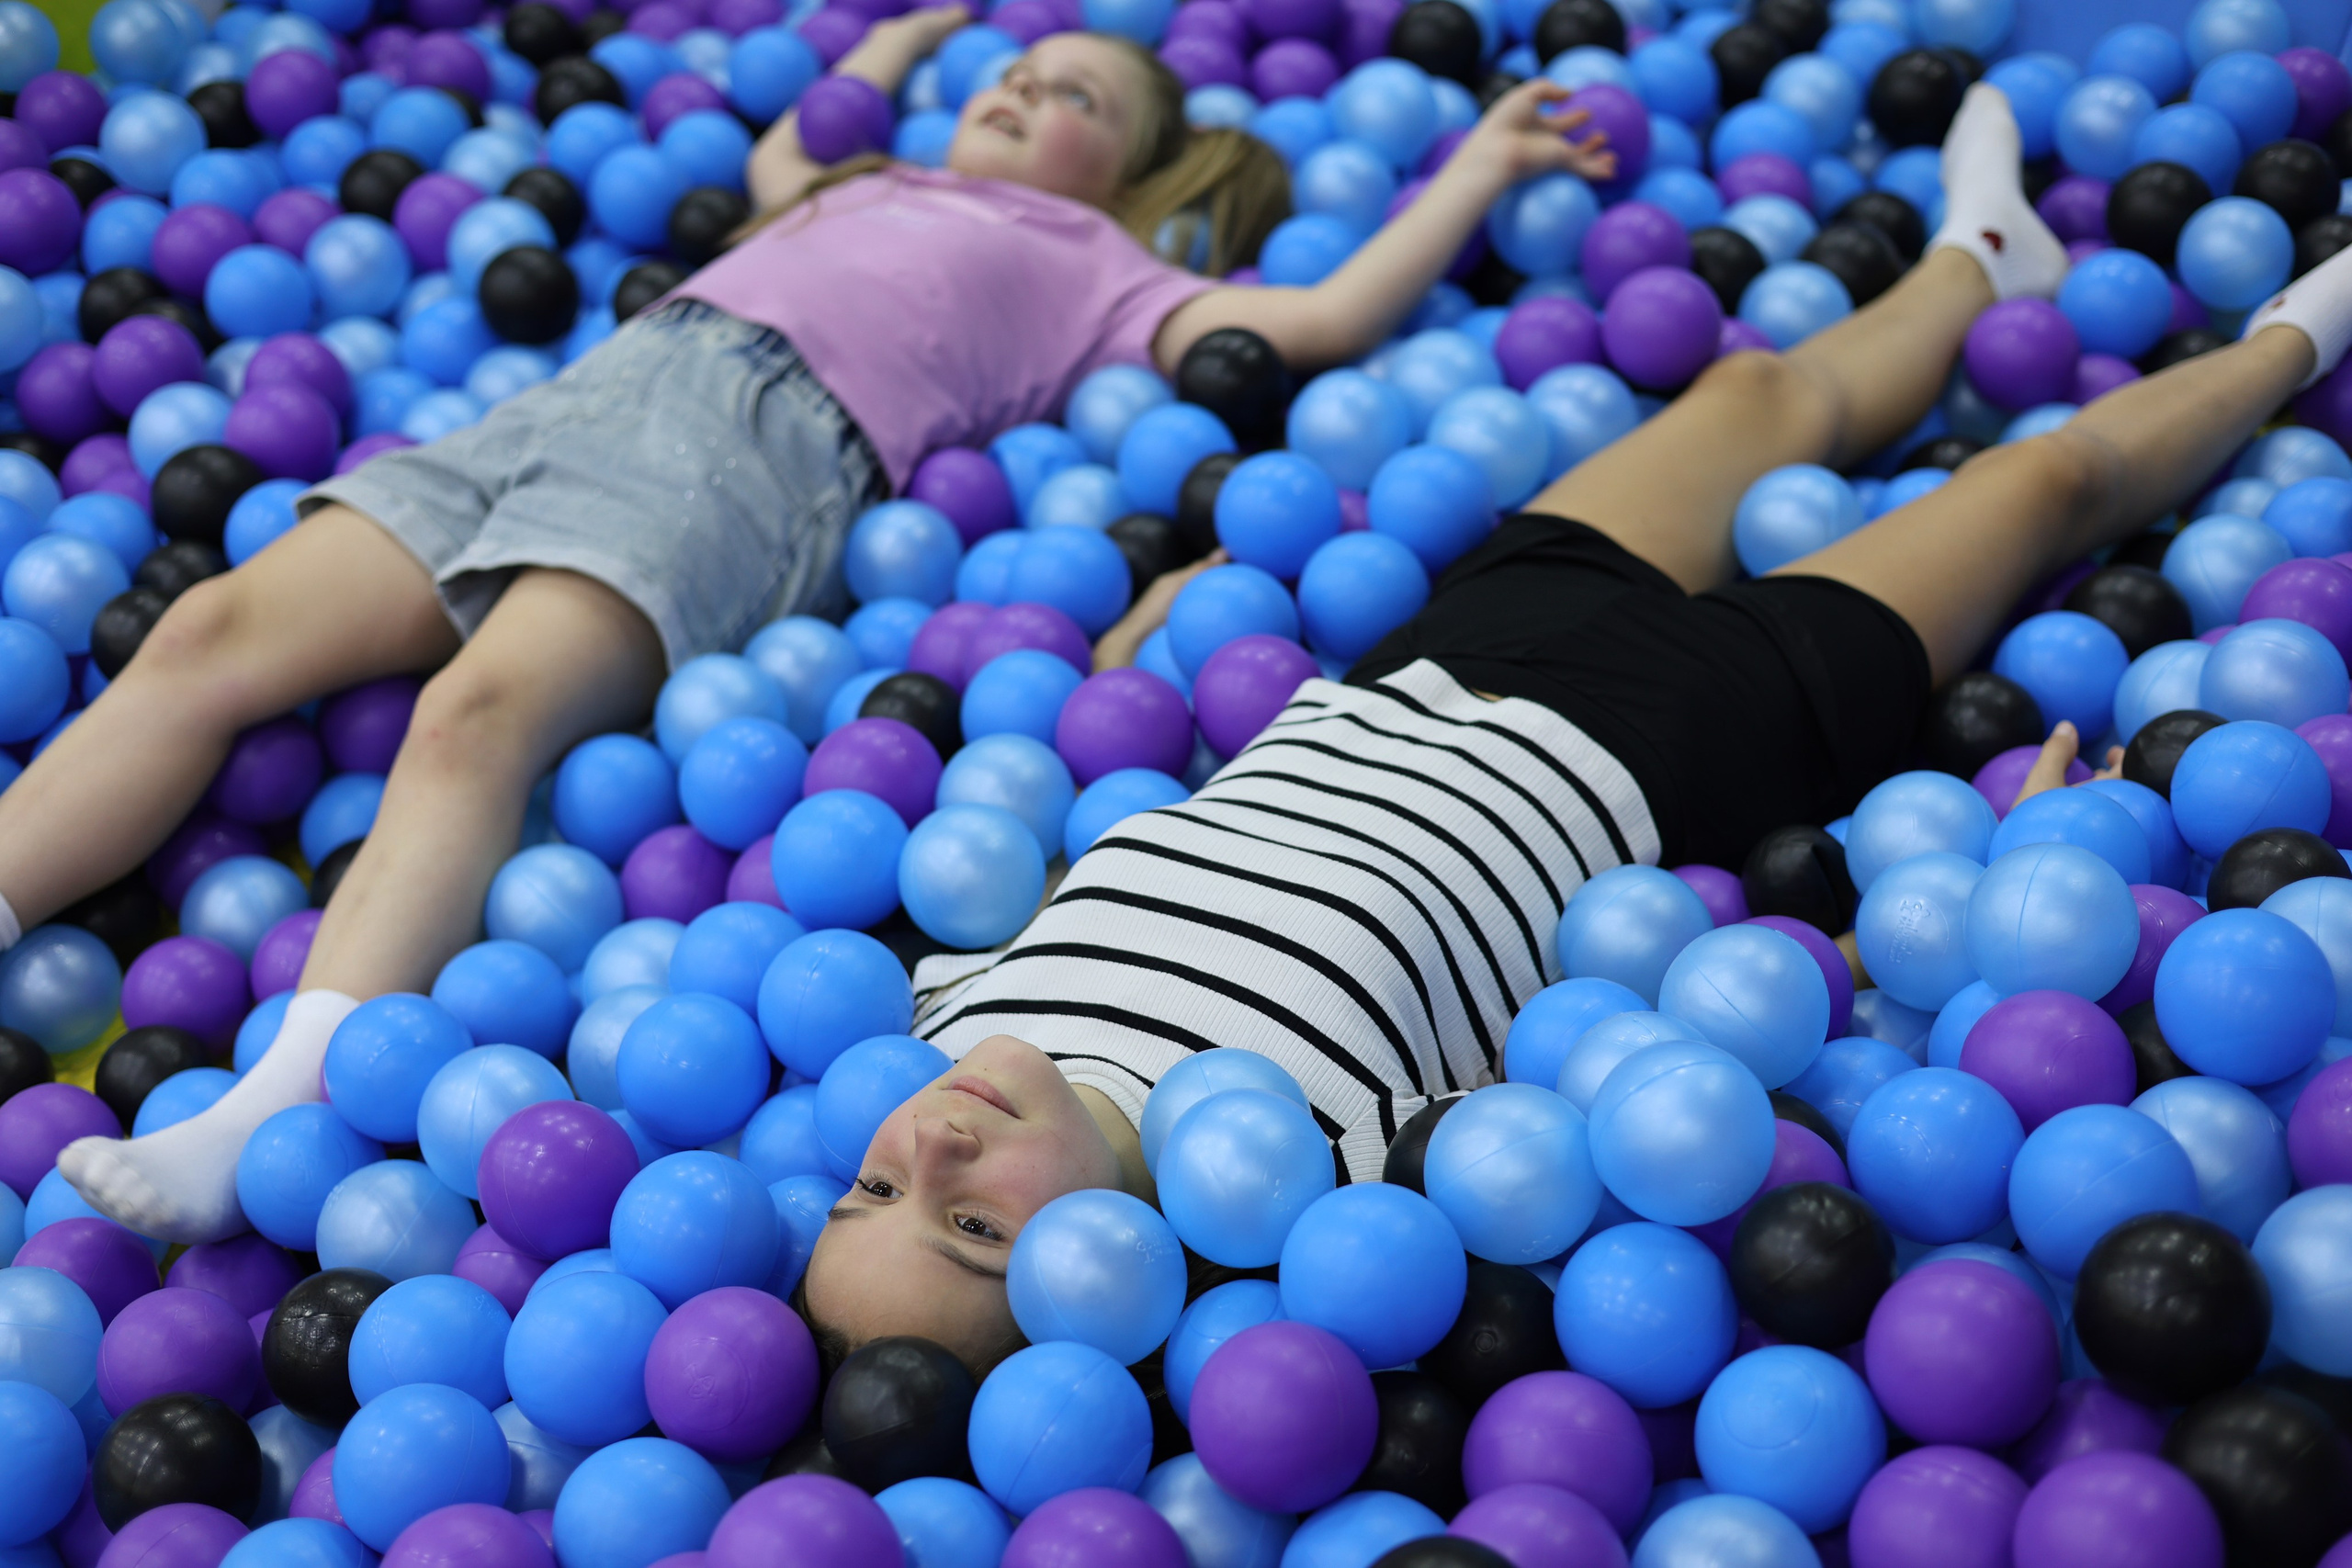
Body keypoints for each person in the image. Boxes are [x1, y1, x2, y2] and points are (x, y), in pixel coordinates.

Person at [797, 84, 2352, 1375]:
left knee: (1755, 399)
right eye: (977, 1226)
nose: (928, 1152)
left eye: (872, 1184)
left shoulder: (945, 1007)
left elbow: (1093, 819)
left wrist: (1132, 648)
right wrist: (1970, 891)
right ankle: (2296, 341)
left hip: (1433, 661)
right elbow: (1662, 1078)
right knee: (2036, 496)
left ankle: (1972, 261)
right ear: (1109, 1286)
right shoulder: (1344, 1180)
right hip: (1675, 750)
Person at [28, 10, 1617, 1243]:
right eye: (1017, 70)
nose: (1024, 93)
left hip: (759, 449)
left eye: (1081, 101)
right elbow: (791, 164)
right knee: (206, 634)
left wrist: (1482, 165)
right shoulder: (869, 176)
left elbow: (1321, 321)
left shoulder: (1105, 269)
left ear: (1137, 176)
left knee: (475, 720)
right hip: (580, 397)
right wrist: (900, 46)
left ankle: (267, 1114)